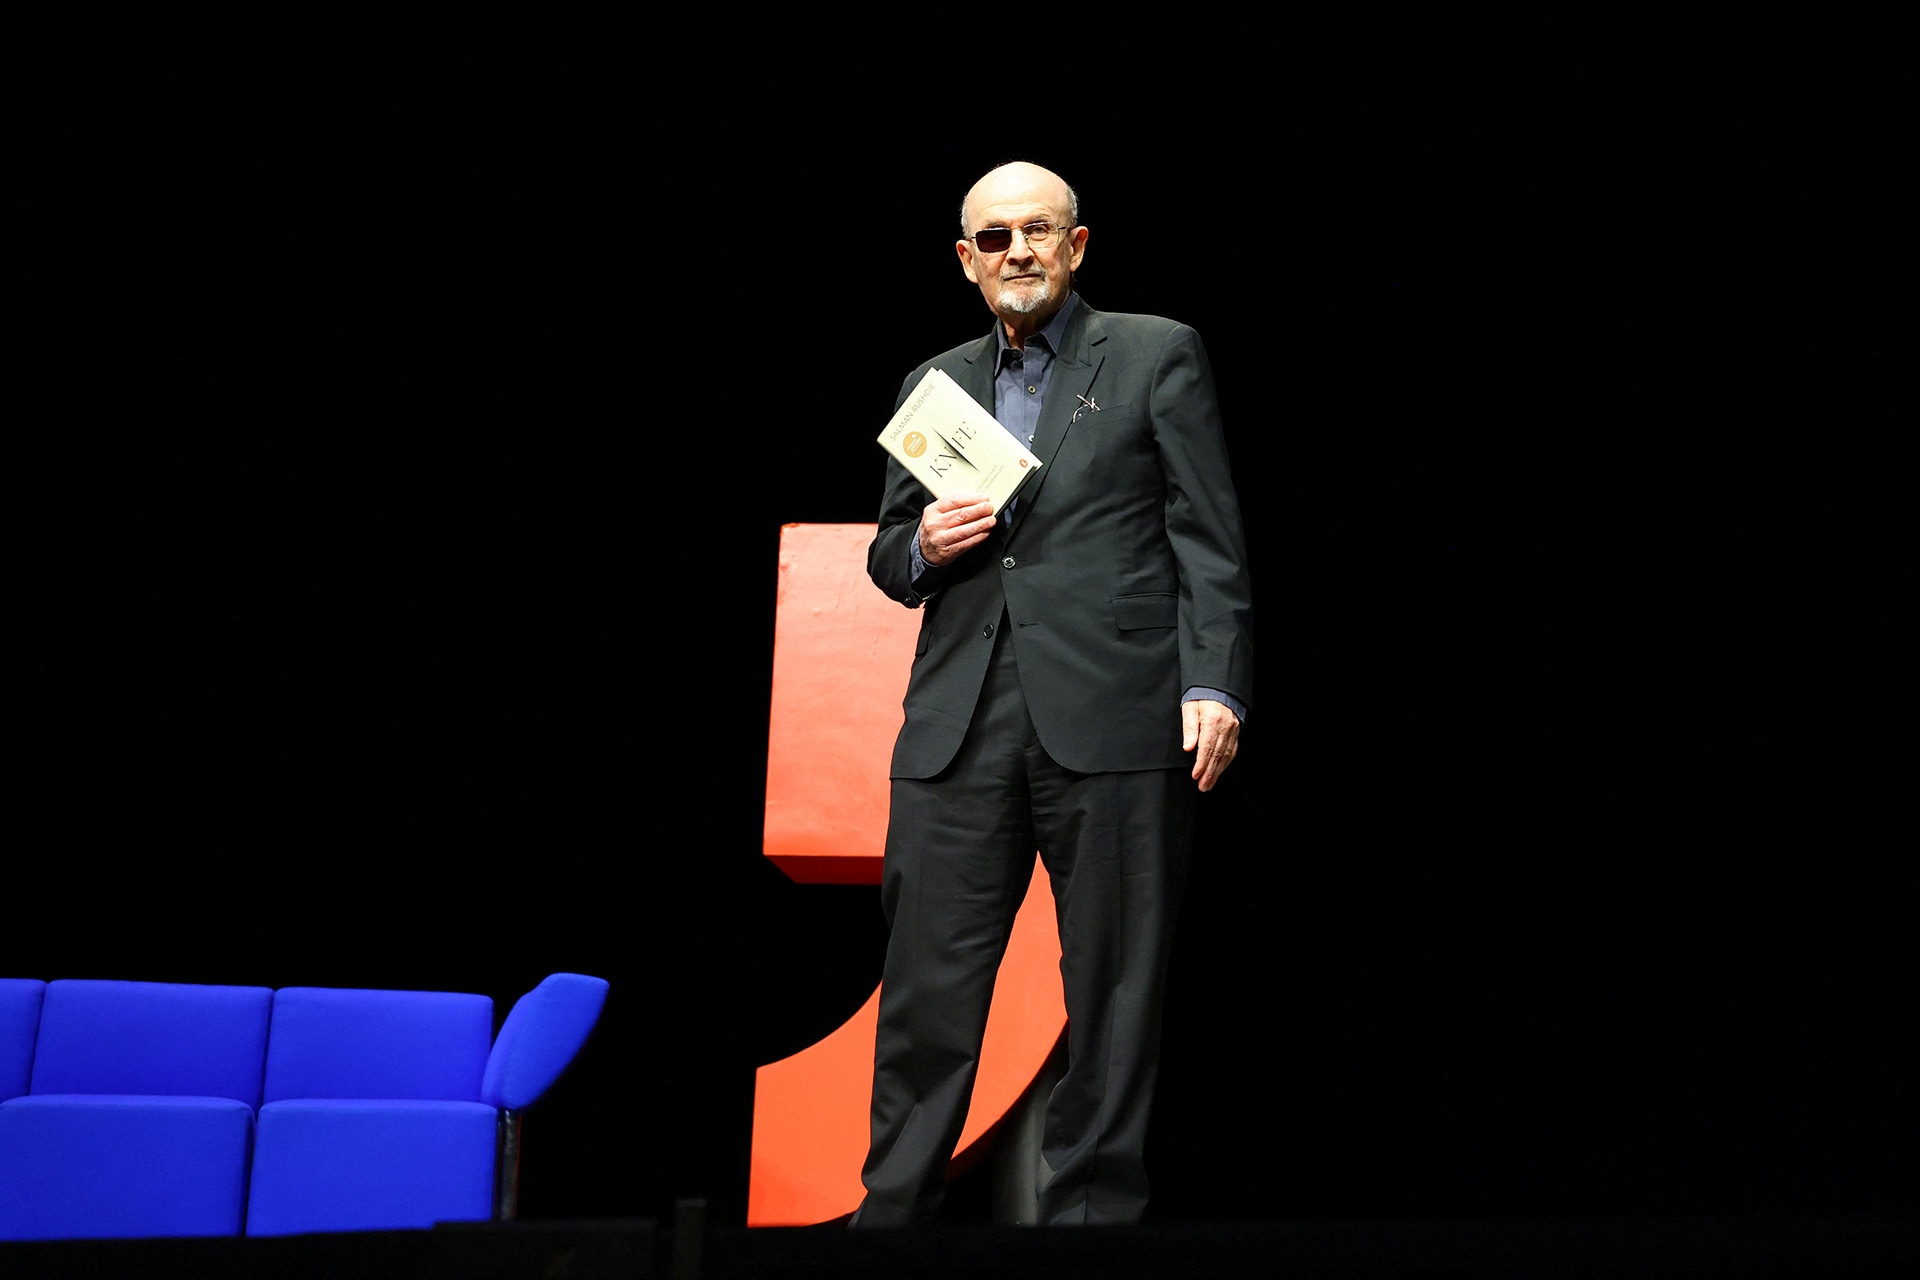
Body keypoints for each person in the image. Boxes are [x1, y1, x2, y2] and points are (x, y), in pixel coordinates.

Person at [851, 159, 1255, 1227]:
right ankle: (886, 1224)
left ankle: (1088, 1227)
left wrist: (1215, 677)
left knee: (1115, 993)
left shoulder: (1156, 353)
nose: (1017, 250)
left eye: (1039, 230)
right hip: (958, 722)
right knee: (926, 997)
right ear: (966, 261)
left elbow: (1205, 535)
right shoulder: (932, 386)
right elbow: (891, 558)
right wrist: (923, 545)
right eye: (995, 237)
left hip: (1118, 708)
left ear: (1077, 245)